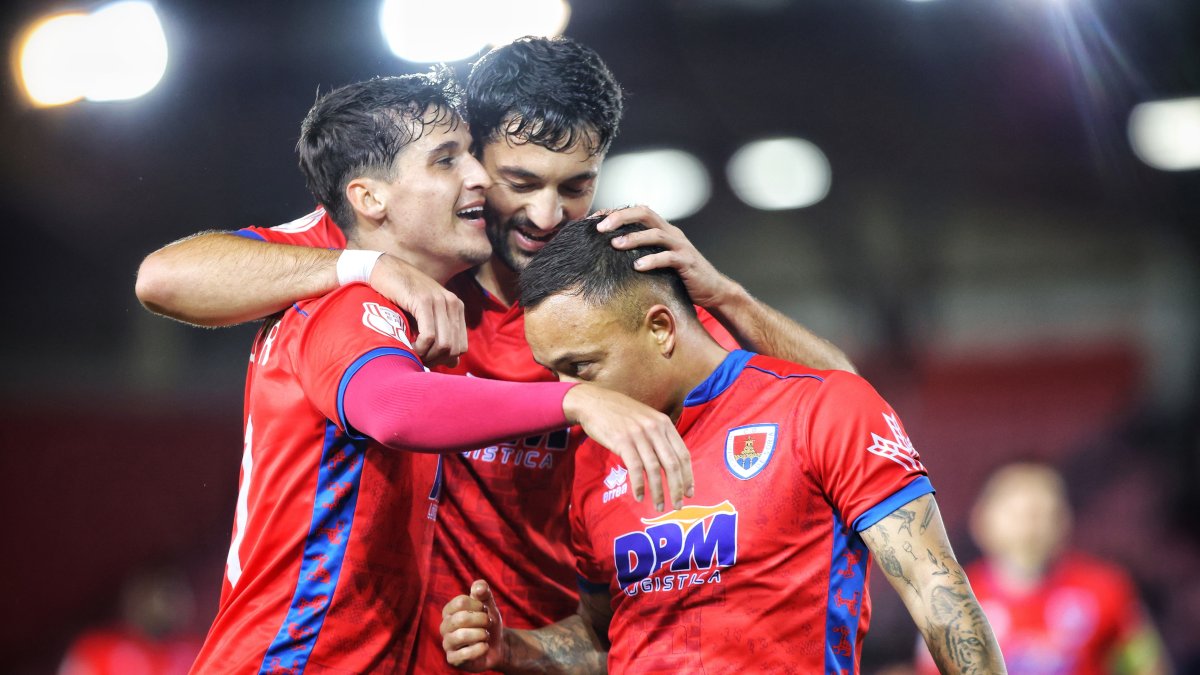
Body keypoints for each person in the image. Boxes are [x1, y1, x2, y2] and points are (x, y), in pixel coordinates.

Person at [135, 37, 855, 671]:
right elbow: (163, 278)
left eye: (576, 186)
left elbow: (845, 405)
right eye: (521, 183)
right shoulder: (375, 253)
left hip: (530, 650)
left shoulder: (614, 290)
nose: (547, 216)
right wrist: (358, 267)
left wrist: (726, 294)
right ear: (474, 163)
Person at [190, 72, 695, 674]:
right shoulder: (345, 296)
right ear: (370, 199)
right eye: (447, 160)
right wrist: (578, 403)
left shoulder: (419, 300)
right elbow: (397, 409)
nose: (477, 177)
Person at [439, 216, 1008, 674]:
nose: (566, 395)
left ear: (661, 328)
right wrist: (513, 650)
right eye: (552, 372)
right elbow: (601, 637)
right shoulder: (593, 459)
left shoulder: (817, 408)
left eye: (580, 367)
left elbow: (942, 600)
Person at [913, 462, 1172, 675]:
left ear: (1064, 519)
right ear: (981, 520)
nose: (1031, 523)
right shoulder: (950, 600)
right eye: (1018, 511)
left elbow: (1147, 667)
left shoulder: (1109, 589)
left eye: (1043, 511)